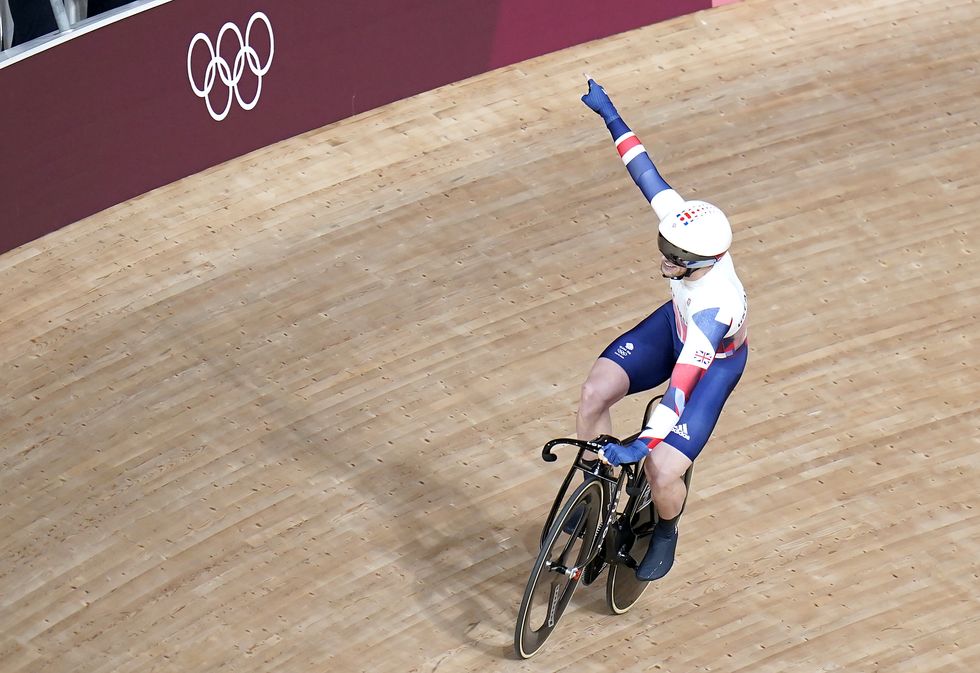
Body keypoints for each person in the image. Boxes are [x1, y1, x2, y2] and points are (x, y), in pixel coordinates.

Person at [576, 78, 748, 581]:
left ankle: (666, 528)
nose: (663, 259)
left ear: (700, 265)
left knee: (662, 469)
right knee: (593, 394)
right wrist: (609, 114)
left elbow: (678, 392)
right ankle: (594, 494)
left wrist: (645, 443)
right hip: (669, 329)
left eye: (673, 259)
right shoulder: (686, 230)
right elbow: (642, 168)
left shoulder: (715, 309)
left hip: (708, 361)